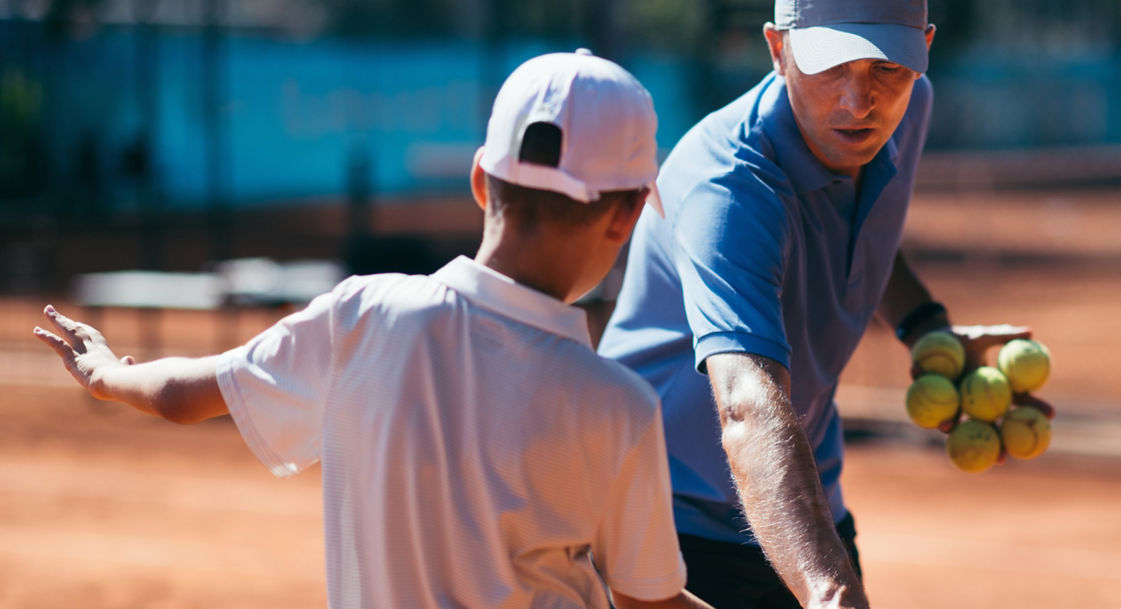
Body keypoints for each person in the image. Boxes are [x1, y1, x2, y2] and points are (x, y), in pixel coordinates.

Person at [34, 51, 714, 609]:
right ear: (625, 217)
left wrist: (106, 374)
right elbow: (648, 598)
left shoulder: (362, 313)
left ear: (480, 181)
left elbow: (184, 395)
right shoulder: (618, 404)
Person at [596, 2, 1052, 608]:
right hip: (664, 524)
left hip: (804, 501)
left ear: (923, 50)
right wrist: (829, 590)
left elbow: (867, 232)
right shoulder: (728, 189)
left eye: (886, 66)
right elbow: (748, 409)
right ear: (778, 50)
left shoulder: (907, 109)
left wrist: (926, 329)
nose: (858, 102)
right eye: (831, 65)